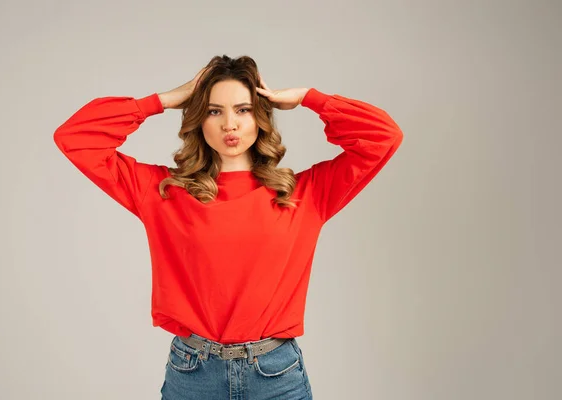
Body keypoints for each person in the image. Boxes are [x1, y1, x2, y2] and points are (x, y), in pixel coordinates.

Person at [53, 55, 403, 399]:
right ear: (198, 119)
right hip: (193, 374)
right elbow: (76, 137)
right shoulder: (164, 191)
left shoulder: (302, 194)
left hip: (276, 375)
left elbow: (383, 136)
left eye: (243, 109)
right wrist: (163, 100)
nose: (229, 124)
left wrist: (310, 98)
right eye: (213, 110)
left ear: (261, 117)